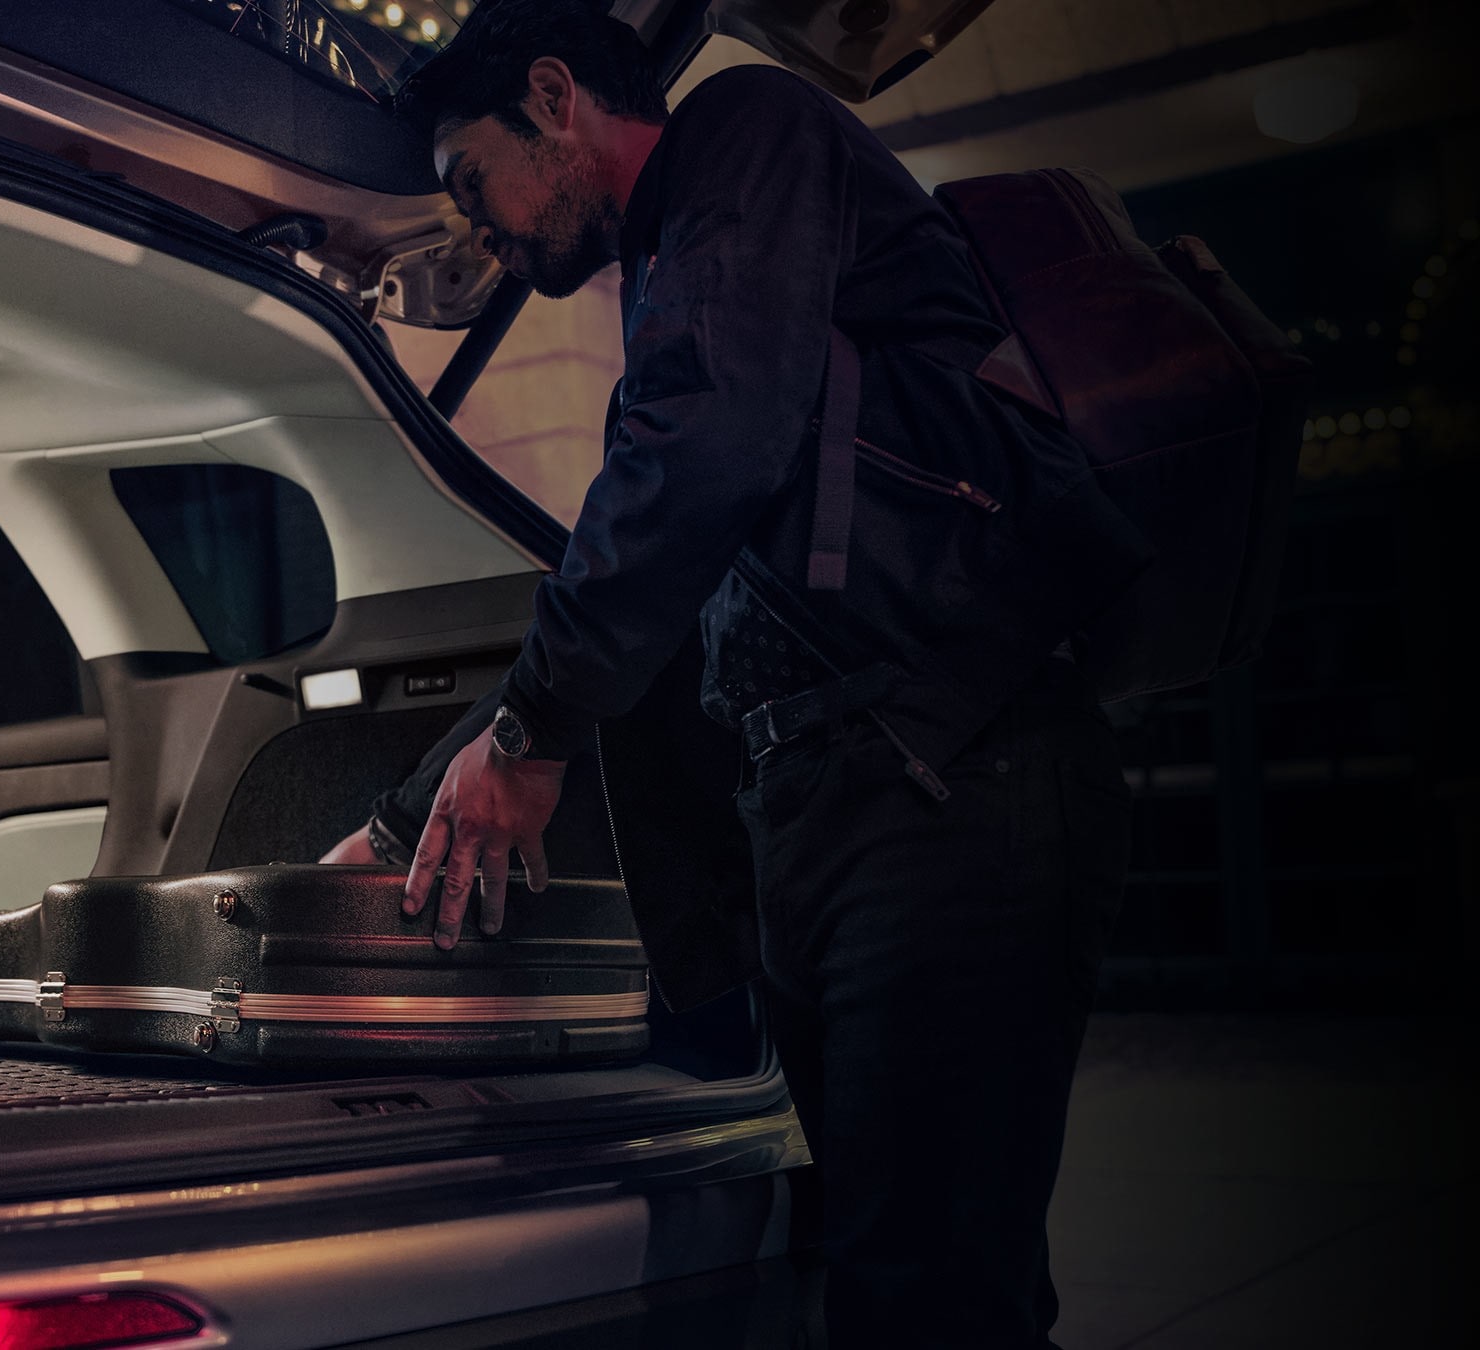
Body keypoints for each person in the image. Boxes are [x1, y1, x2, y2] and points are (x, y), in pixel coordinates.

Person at [340, 3, 1154, 1346]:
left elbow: (701, 446)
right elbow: (657, 570)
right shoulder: (682, 273)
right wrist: (396, 822)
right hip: (845, 807)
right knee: (913, 1276)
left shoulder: (748, 137)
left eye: (471, 185)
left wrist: (539, 720)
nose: (478, 236)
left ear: (554, 97)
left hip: (954, 779)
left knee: (929, 1294)